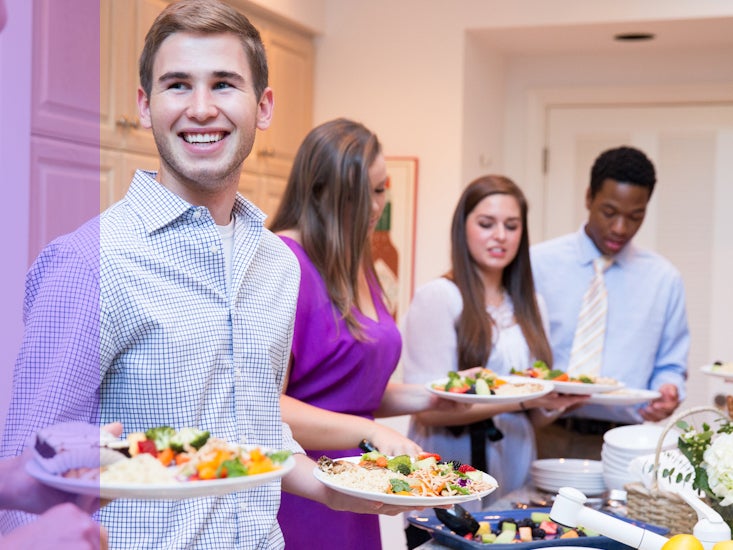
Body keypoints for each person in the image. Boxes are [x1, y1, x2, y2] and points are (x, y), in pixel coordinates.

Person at [0, 1, 420, 547]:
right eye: (178, 85)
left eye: (224, 84)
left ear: (263, 106)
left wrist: (330, 487)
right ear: (145, 107)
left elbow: (255, 435)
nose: (201, 108)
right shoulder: (88, 263)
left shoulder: (275, 264)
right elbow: (29, 481)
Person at [270, 118, 459, 550]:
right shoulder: (283, 261)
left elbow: (353, 388)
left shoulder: (359, 261)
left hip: (359, 484)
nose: (377, 206)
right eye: (363, 195)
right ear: (321, 193)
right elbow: (266, 407)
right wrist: (371, 433)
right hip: (301, 486)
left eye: (381, 189)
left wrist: (433, 395)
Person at [401, 175, 587, 547]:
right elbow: (428, 411)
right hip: (449, 470)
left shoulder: (531, 303)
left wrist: (555, 403)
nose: (500, 236)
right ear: (462, 228)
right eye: (486, 224)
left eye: (511, 226)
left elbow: (533, 409)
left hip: (516, 466)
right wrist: (524, 399)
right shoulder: (440, 297)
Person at [531, 146, 689, 460]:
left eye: (635, 216)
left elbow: (671, 365)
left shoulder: (664, 278)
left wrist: (668, 390)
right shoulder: (537, 264)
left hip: (626, 442)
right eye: (609, 212)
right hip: (542, 433)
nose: (620, 228)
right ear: (589, 197)